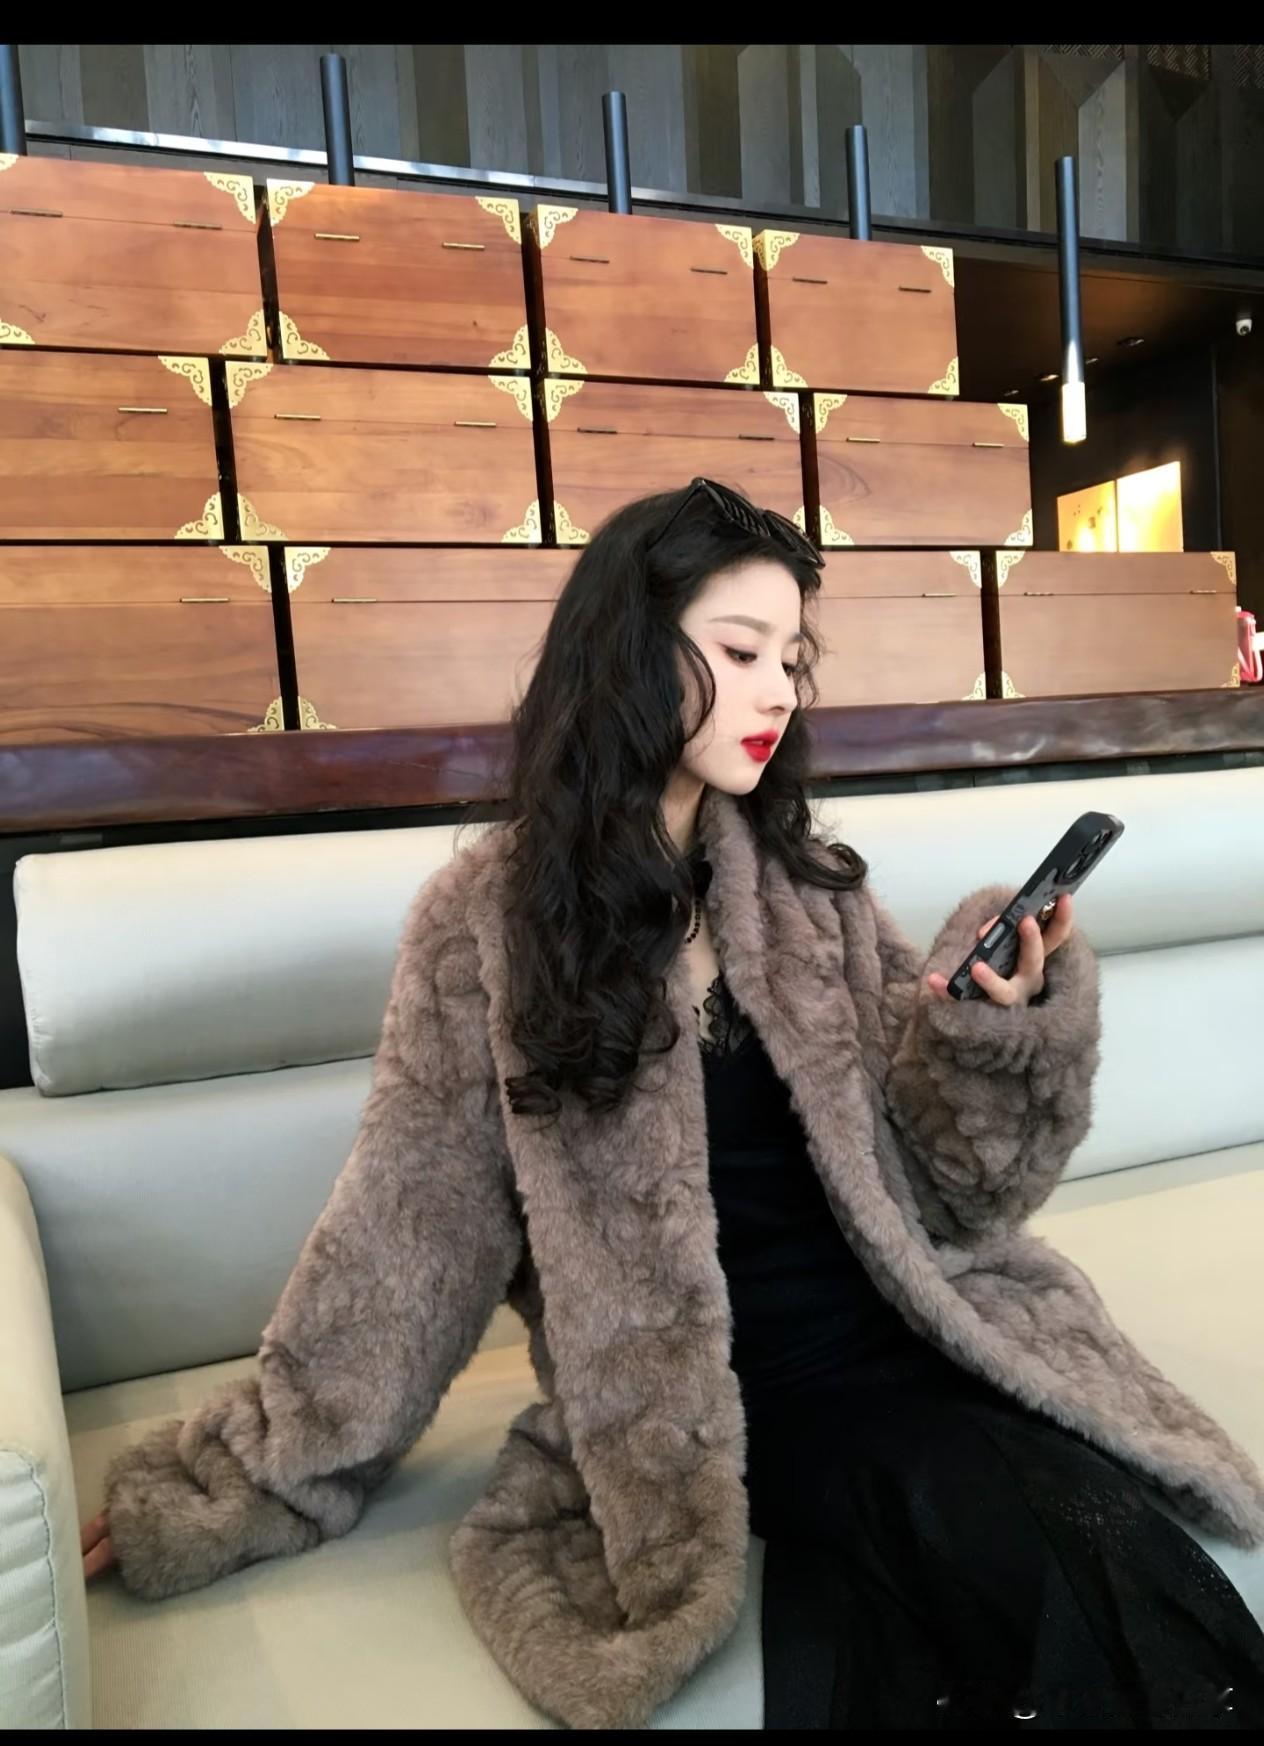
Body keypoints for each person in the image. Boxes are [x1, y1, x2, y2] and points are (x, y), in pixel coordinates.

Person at [83, 479, 1264, 1730]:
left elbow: (958, 1194)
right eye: (739, 652)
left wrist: (988, 1035)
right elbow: (409, 1232)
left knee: (1067, 1538)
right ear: (632, 652)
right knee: (1024, 1540)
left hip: (921, 1324)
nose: (777, 693)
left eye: (791, 661)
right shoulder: (487, 928)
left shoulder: (814, 891)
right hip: (730, 1396)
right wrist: (245, 1474)